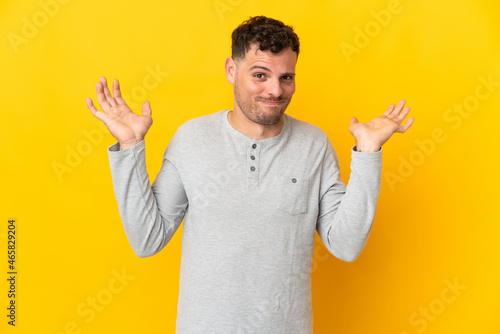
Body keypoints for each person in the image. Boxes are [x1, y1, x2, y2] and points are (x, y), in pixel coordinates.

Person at [85, 15, 413, 334]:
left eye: (286, 77)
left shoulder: (314, 145)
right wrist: (129, 146)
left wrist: (368, 153)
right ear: (231, 70)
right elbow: (147, 239)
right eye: (260, 75)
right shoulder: (192, 139)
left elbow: (346, 244)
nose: (275, 90)